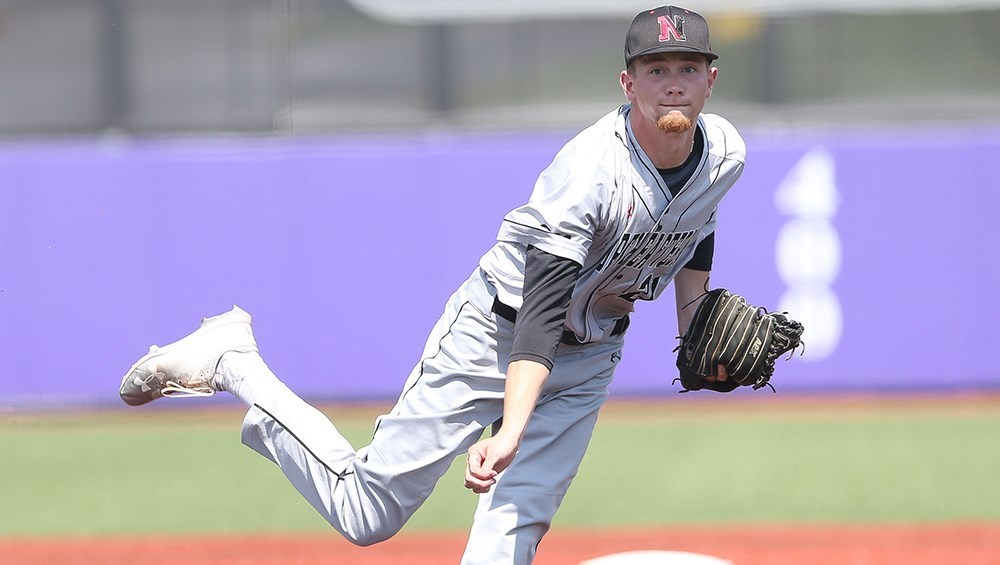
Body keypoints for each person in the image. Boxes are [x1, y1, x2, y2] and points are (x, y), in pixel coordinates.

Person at [119, 5, 744, 564]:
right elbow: (540, 318)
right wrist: (510, 431)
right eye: (656, 68)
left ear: (710, 81)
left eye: (688, 67)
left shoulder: (723, 154)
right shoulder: (589, 175)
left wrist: (692, 332)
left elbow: (697, 227)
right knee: (368, 514)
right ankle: (234, 362)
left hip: (595, 349)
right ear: (627, 82)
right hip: (497, 337)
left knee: (517, 519)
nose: (673, 82)